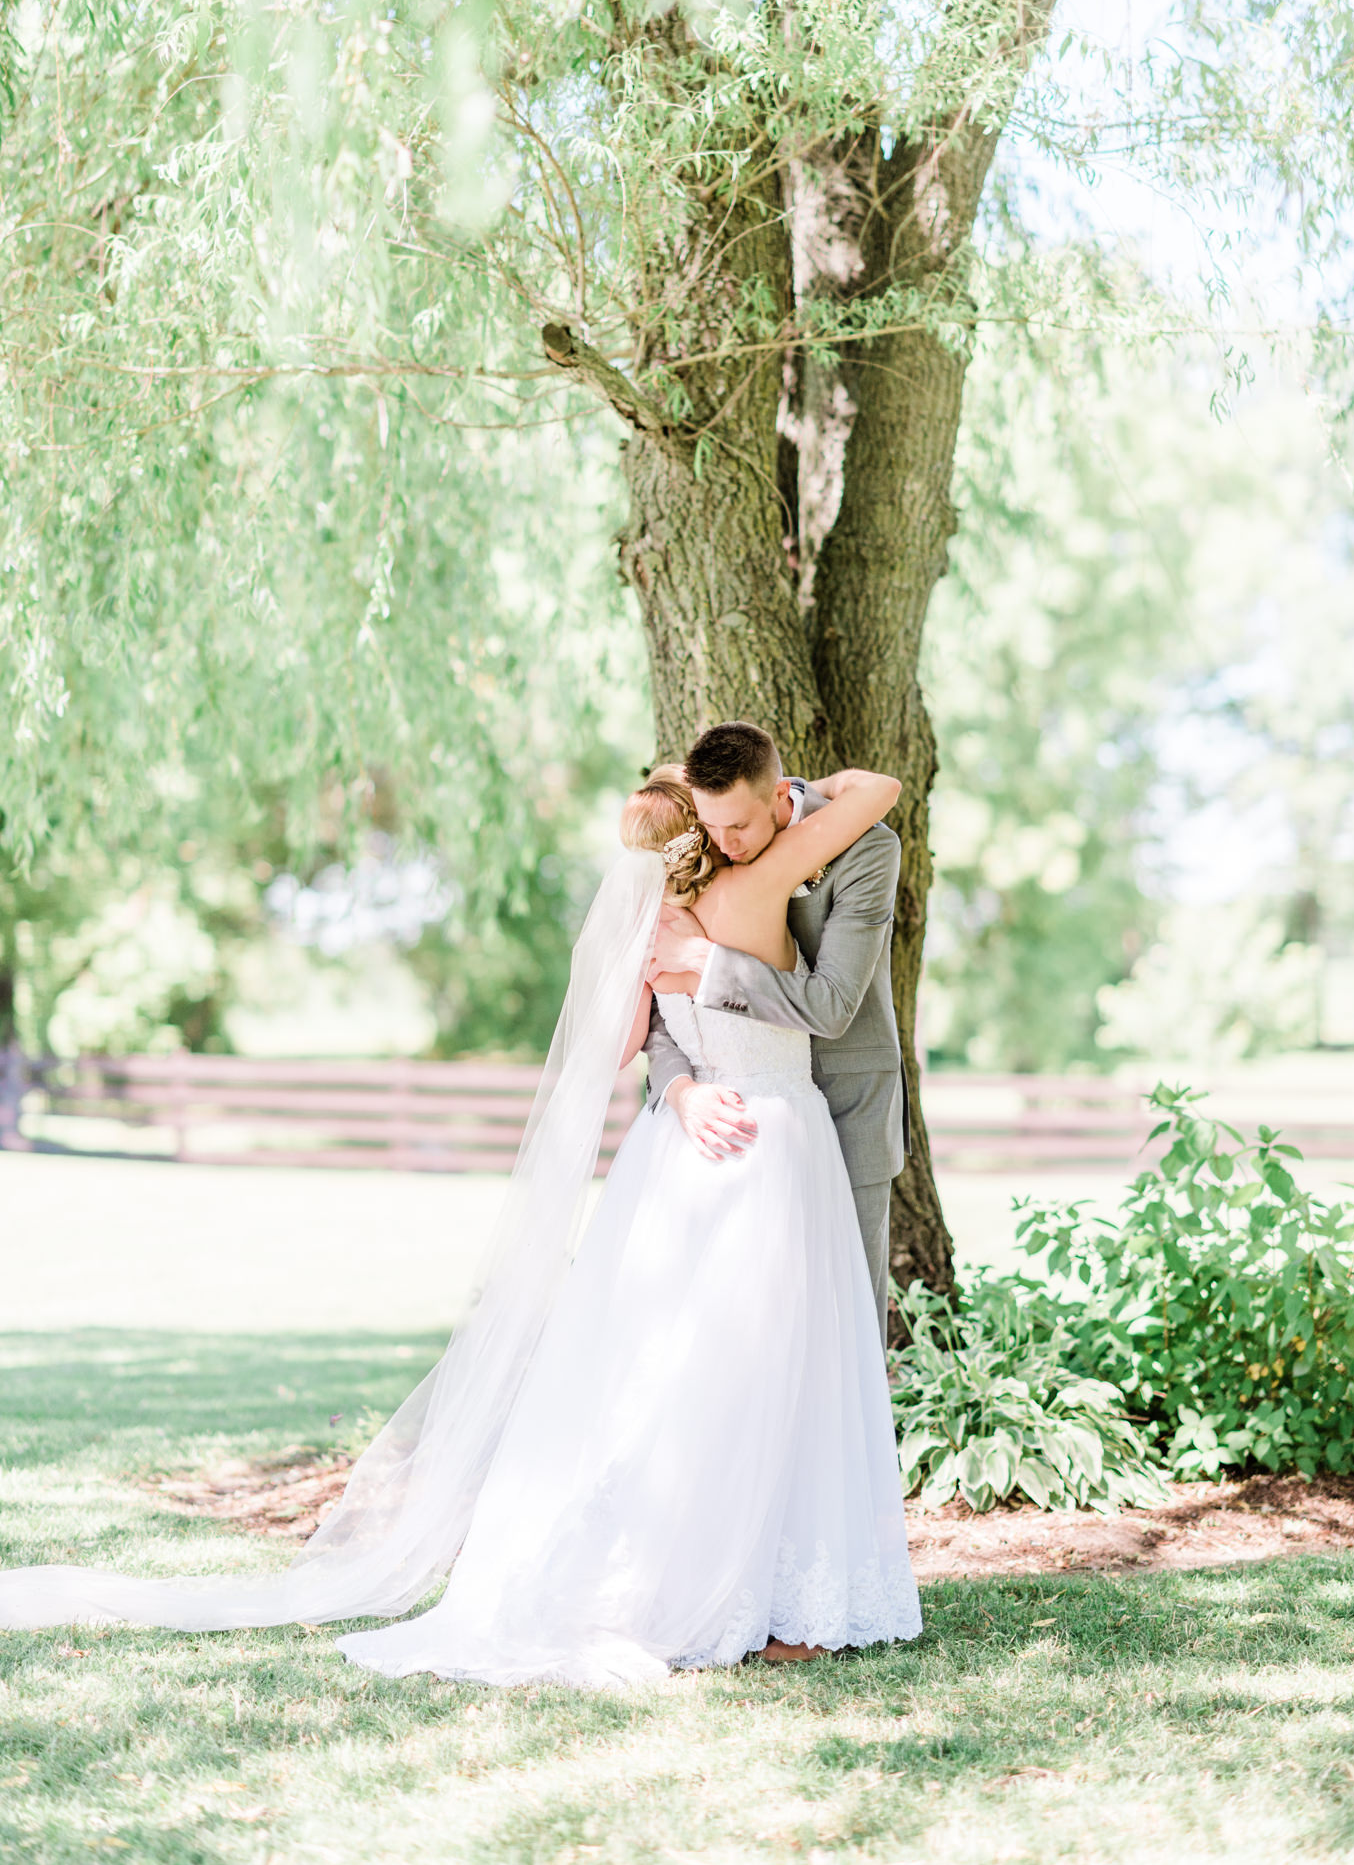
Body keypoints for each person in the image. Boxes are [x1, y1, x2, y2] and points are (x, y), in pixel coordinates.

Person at [0, 762, 921, 1686]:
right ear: (703, 836)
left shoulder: (663, 922)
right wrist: (682, 1079)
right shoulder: (753, 886)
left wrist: (675, 1023)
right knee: (750, 1370)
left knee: (703, 1373)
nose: (730, 841)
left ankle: (736, 1580)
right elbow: (871, 800)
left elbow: (630, 1041)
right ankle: (739, 1584)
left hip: (718, 1156)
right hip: (754, 1143)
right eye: (713, 829)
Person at [647, 721, 909, 1326]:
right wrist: (680, 1091)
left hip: (848, 1109)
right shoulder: (705, 839)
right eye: (713, 827)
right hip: (736, 1124)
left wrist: (710, 966)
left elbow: (833, 1005)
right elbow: (667, 1004)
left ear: (777, 794)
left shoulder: (867, 848)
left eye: (737, 826)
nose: (724, 843)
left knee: (844, 1324)